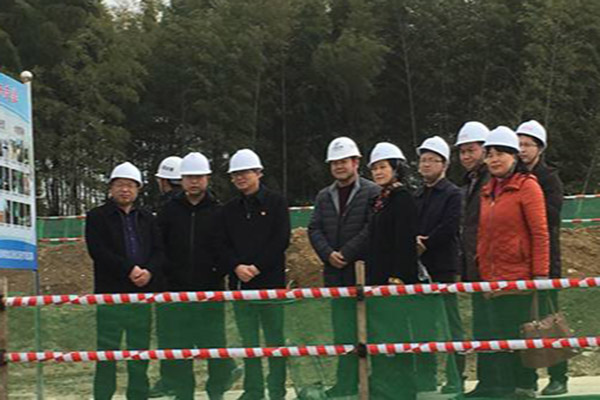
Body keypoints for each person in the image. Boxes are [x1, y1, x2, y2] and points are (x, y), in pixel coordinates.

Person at [156, 152, 239, 400]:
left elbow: (226, 247)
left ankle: (216, 391)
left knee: (214, 346)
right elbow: (159, 246)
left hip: (210, 292)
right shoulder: (168, 211)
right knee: (179, 349)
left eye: (199, 177)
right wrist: (166, 277)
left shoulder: (219, 211)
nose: (194, 182)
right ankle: (184, 394)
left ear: (207, 178)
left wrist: (217, 272)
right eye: (189, 177)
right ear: (181, 179)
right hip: (176, 293)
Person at [477, 126, 550, 399]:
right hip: (493, 278)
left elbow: (540, 233)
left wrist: (540, 275)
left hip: (519, 277)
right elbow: (484, 235)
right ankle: (506, 388)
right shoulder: (487, 191)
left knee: (520, 336)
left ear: (514, 156)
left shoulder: (528, 186)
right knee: (500, 338)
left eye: (500, 153)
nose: (494, 159)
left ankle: (525, 386)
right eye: (489, 154)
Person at [307, 136, 380, 398]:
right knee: (342, 331)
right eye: (334, 163)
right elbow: (314, 228)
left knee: (370, 329)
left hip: (363, 272)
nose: (339, 166)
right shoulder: (324, 196)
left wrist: (348, 253)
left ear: (356, 162)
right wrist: (328, 254)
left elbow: (372, 227)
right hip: (335, 273)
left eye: (343, 161)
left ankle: (373, 382)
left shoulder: (372, 192)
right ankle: (346, 382)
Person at [85, 162, 164, 400]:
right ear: (111, 188)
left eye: (130, 185)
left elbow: (159, 250)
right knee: (106, 352)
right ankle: (103, 395)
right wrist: (128, 269)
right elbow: (98, 250)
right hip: (110, 295)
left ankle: (138, 395)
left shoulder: (147, 217)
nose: (125, 190)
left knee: (139, 351)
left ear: (138, 189)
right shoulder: (97, 217)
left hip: (141, 295)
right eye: (120, 185)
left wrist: (148, 272)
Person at [218, 149, 290, 400]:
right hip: (241, 285)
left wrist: (257, 267)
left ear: (258, 173)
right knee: (248, 341)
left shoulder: (276, 203)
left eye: (245, 172)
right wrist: (236, 267)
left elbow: (280, 240)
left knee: (275, 339)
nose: (240, 178)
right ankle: (253, 390)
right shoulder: (229, 210)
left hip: (271, 284)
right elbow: (222, 244)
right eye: (235, 174)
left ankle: (277, 390)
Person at [517, 120, 567, 396]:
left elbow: (553, 217)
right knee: (522, 322)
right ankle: (527, 378)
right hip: (519, 260)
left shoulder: (549, 179)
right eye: (519, 144)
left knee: (549, 319)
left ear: (540, 148)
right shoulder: (513, 177)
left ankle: (559, 376)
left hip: (546, 259)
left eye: (528, 144)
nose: (522, 150)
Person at [366, 142, 418, 400]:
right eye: (374, 168)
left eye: (383, 167)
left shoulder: (402, 199)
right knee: (380, 335)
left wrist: (398, 277)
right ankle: (383, 386)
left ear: (396, 168)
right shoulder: (380, 200)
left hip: (395, 280)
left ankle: (402, 389)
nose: (378, 172)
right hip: (377, 278)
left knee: (397, 336)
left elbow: (404, 242)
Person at [454, 122, 502, 398]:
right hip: (475, 265)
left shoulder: (491, 180)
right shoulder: (470, 182)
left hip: (492, 266)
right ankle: (487, 383)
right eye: (462, 151)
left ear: (485, 150)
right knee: (483, 326)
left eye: (470, 150)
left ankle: (501, 384)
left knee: (497, 326)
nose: (466, 156)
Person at [414, 136, 463, 393]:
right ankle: (426, 377)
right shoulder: (418, 195)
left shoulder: (453, 193)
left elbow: (450, 225)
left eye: (432, 160)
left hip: (444, 265)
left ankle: (456, 376)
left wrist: (427, 242)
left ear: (444, 164)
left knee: (450, 322)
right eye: (423, 160)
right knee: (423, 325)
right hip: (420, 268)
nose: (426, 165)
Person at [150, 154, 182, 398]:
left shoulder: (166, 208)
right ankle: (224, 366)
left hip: (168, 280)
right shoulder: (191, 204)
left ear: (163, 181)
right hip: (191, 279)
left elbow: (158, 245)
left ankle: (171, 380)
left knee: (170, 335)